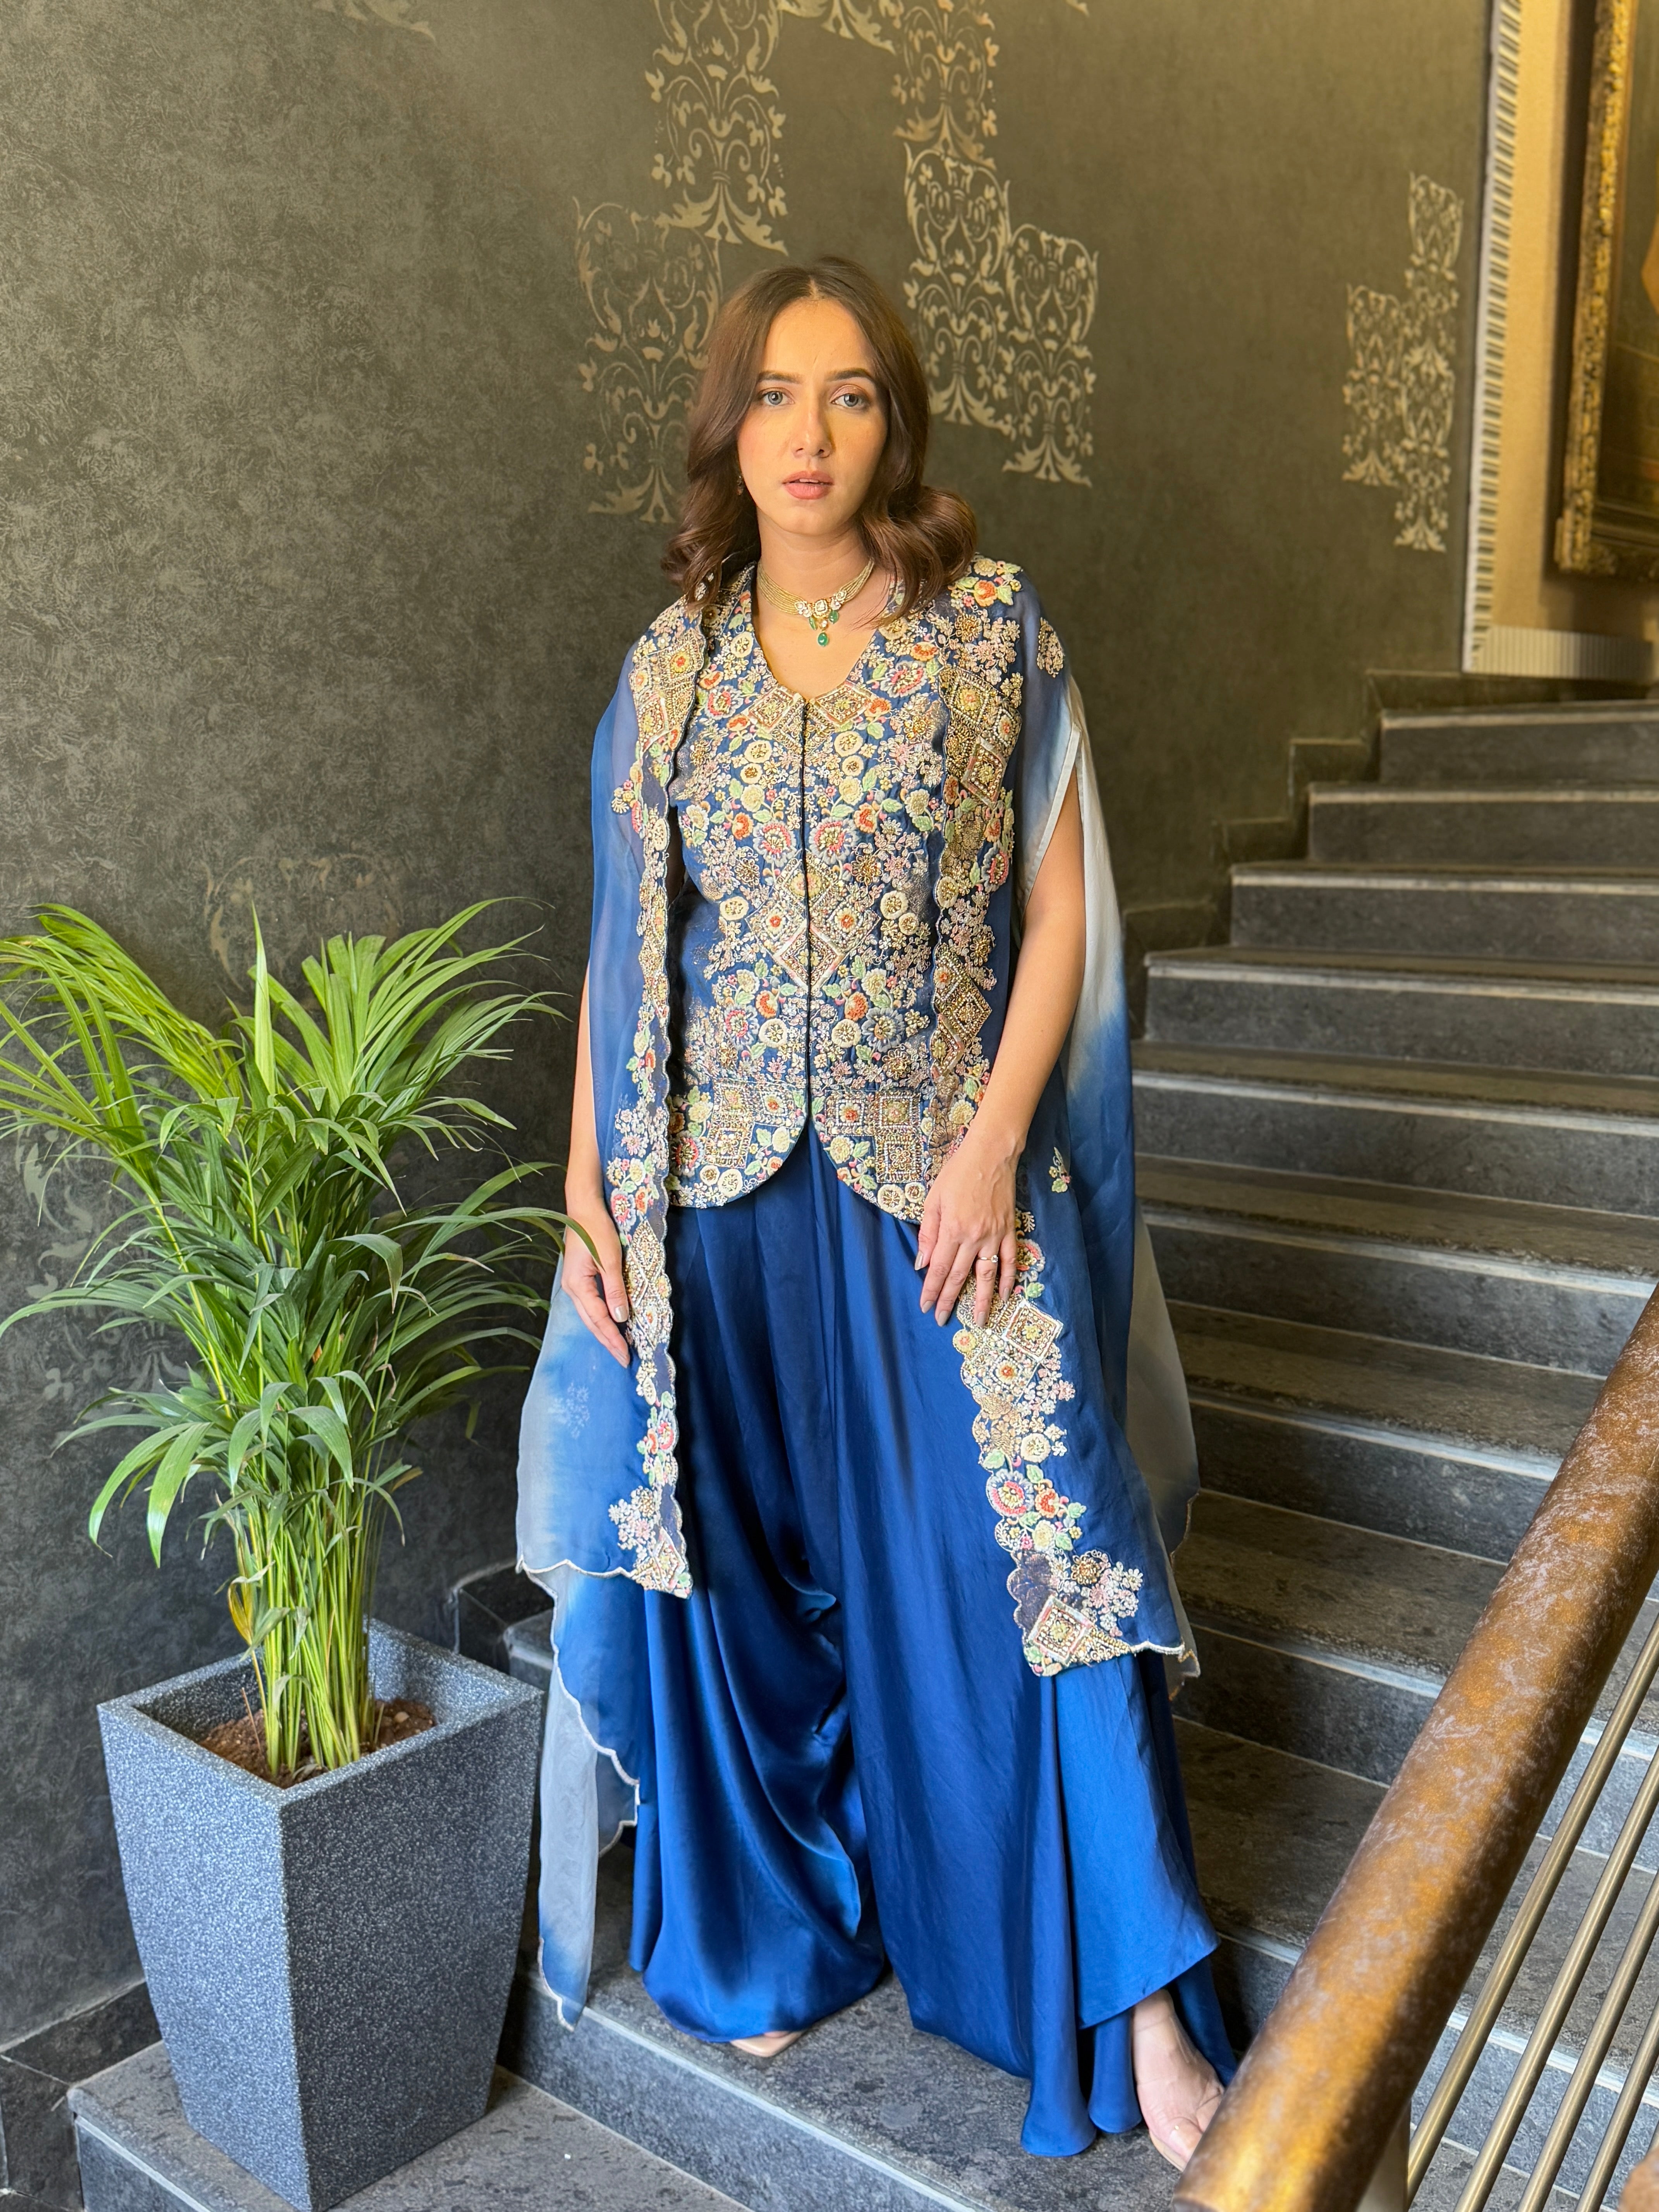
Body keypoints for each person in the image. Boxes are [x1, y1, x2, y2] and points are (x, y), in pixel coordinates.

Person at [517, 254, 1233, 2167]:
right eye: (773, 393)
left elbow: (1060, 917)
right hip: (715, 1198)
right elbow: (623, 949)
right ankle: (778, 1929)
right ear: (729, 427)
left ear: (891, 422)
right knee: (735, 1579)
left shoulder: (992, 631)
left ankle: (1138, 2001)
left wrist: (994, 1145)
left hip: (941, 1185)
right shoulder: (671, 666)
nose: (809, 433)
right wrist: (586, 1191)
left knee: (1050, 1554)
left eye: (847, 394)